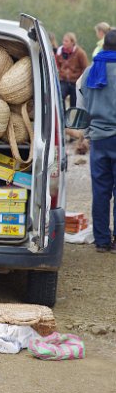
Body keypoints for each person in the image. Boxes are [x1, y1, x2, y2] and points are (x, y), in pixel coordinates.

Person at [80, 28, 116, 253]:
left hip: (99, 139)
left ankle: (102, 241)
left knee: (101, 192)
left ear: (103, 45)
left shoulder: (91, 71)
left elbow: (82, 105)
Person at [55, 32, 88, 111]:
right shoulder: (60, 52)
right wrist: (60, 72)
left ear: (72, 42)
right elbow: (57, 64)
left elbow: (85, 67)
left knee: (74, 104)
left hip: (75, 82)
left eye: (66, 41)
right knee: (59, 97)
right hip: (63, 80)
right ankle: (62, 116)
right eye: (63, 41)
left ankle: (73, 121)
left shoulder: (80, 53)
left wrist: (81, 79)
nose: (64, 43)